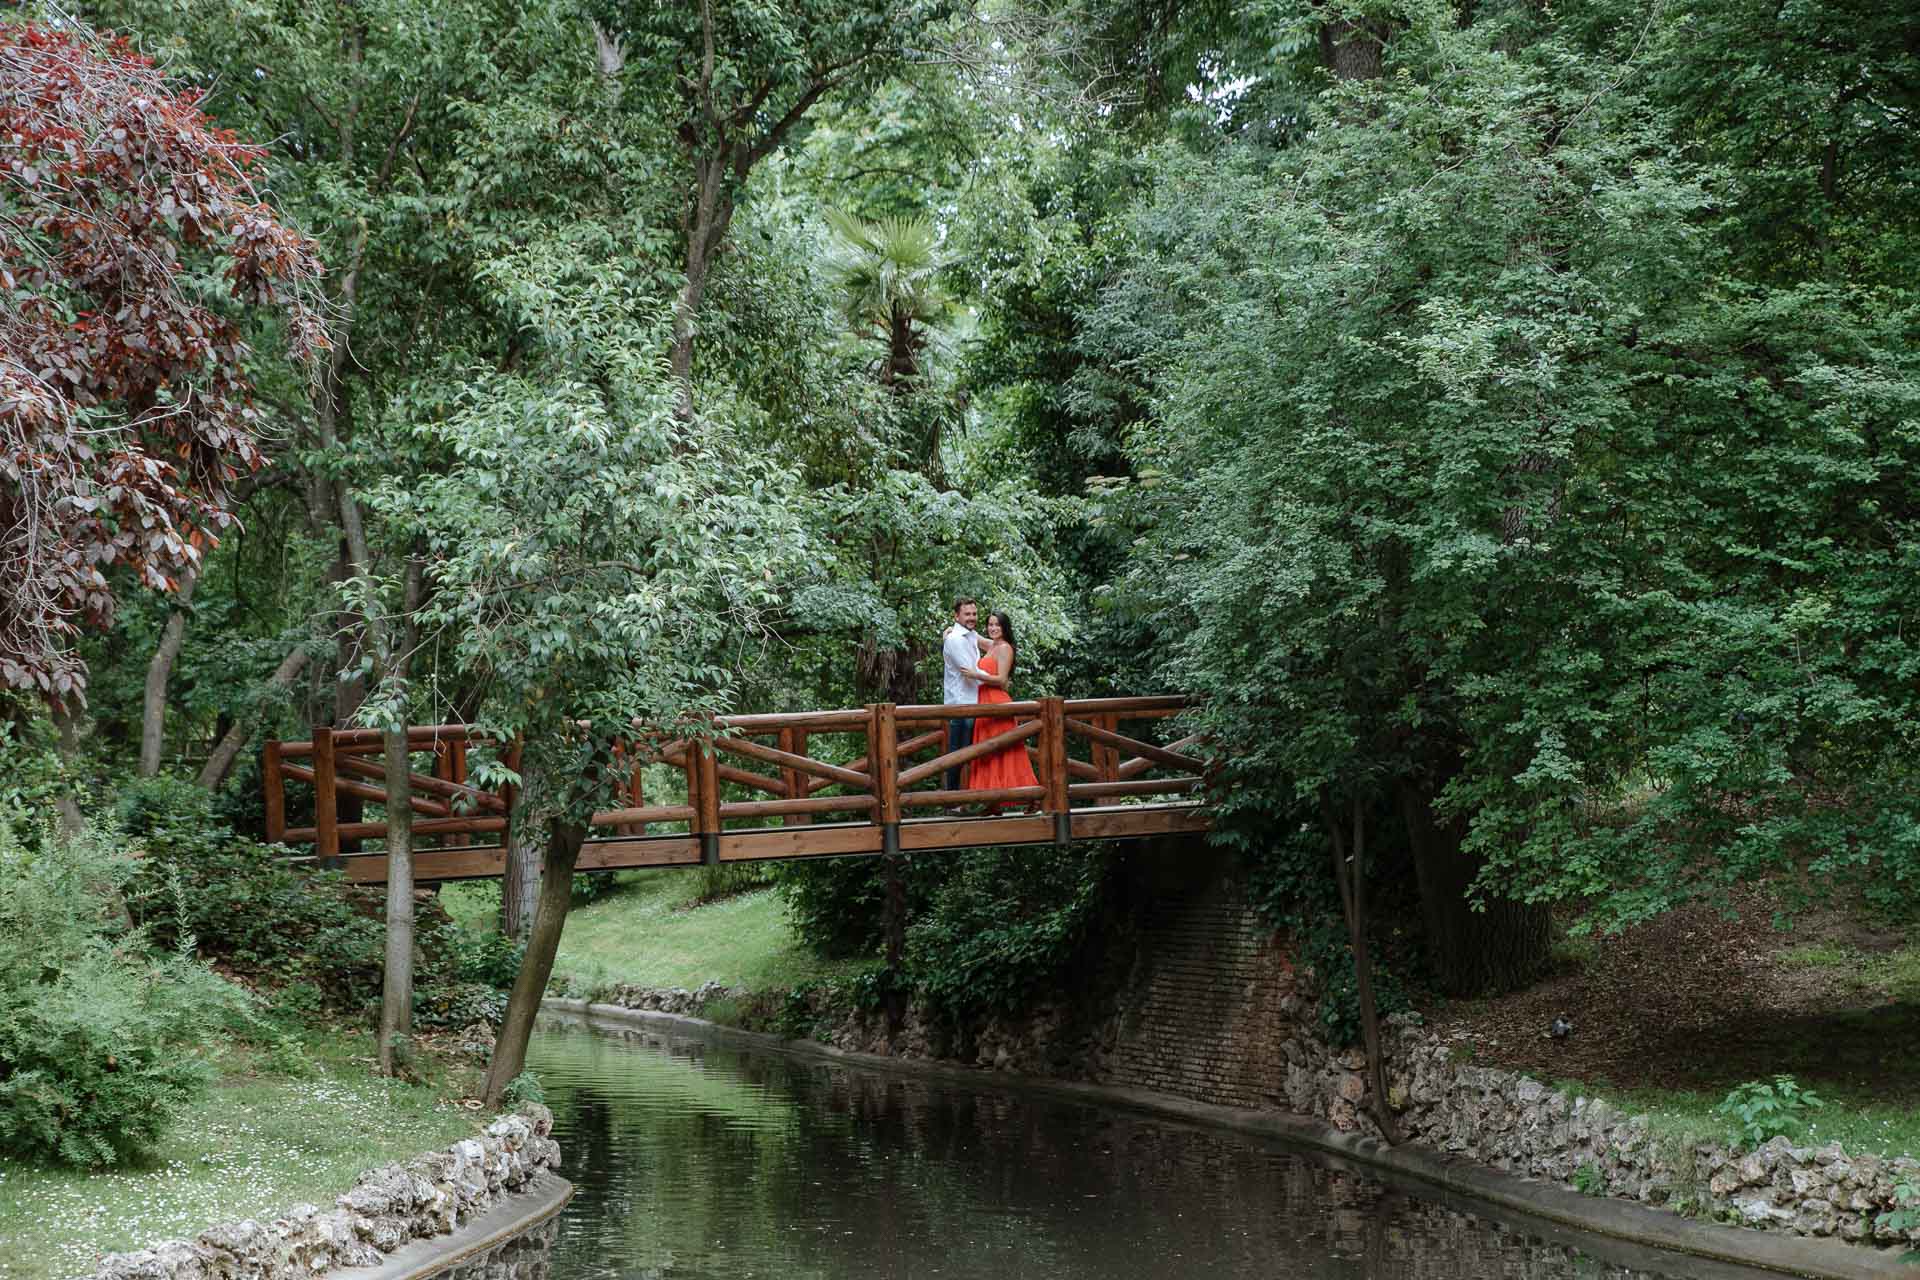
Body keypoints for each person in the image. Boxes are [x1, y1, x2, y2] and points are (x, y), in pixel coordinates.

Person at [966, 611, 1039, 802]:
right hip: (984, 702)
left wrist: (976, 675)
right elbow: (972, 636)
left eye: (997, 625)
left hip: (997, 701)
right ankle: (993, 801)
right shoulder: (991, 645)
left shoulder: (1005, 648)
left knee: (1008, 752)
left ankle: (1031, 797)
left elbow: (1001, 680)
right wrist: (950, 630)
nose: (993, 628)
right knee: (989, 752)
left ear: (1004, 627)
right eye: (990, 625)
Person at [940, 597, 987, 790]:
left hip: (974, 702)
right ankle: (953, 799)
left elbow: (994, 645)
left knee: (972, 752)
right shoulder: (955, 639)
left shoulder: (971, 635)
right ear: (956, 616)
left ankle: (970, 797)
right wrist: (998, 679)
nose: (972, 617)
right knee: (958, 754)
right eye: (967, 614)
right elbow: (970, 672)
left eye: (974, 614)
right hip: (960, 704)